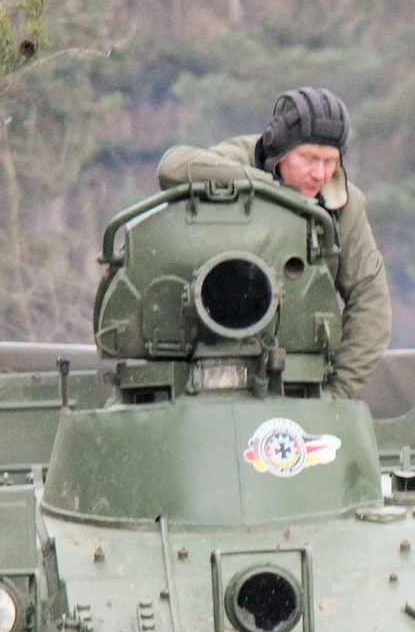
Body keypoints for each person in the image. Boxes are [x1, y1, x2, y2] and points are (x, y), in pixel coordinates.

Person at [156, 87, 392, 398]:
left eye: (330, 161)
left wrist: (338, 393)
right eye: (308, 158)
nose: (320, 173)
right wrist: (269, 189)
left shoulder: (344, 206)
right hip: (200, 363)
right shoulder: (244, 158)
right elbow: (172, 167)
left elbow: (371, 302)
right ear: (278, 151)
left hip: (297, 374)